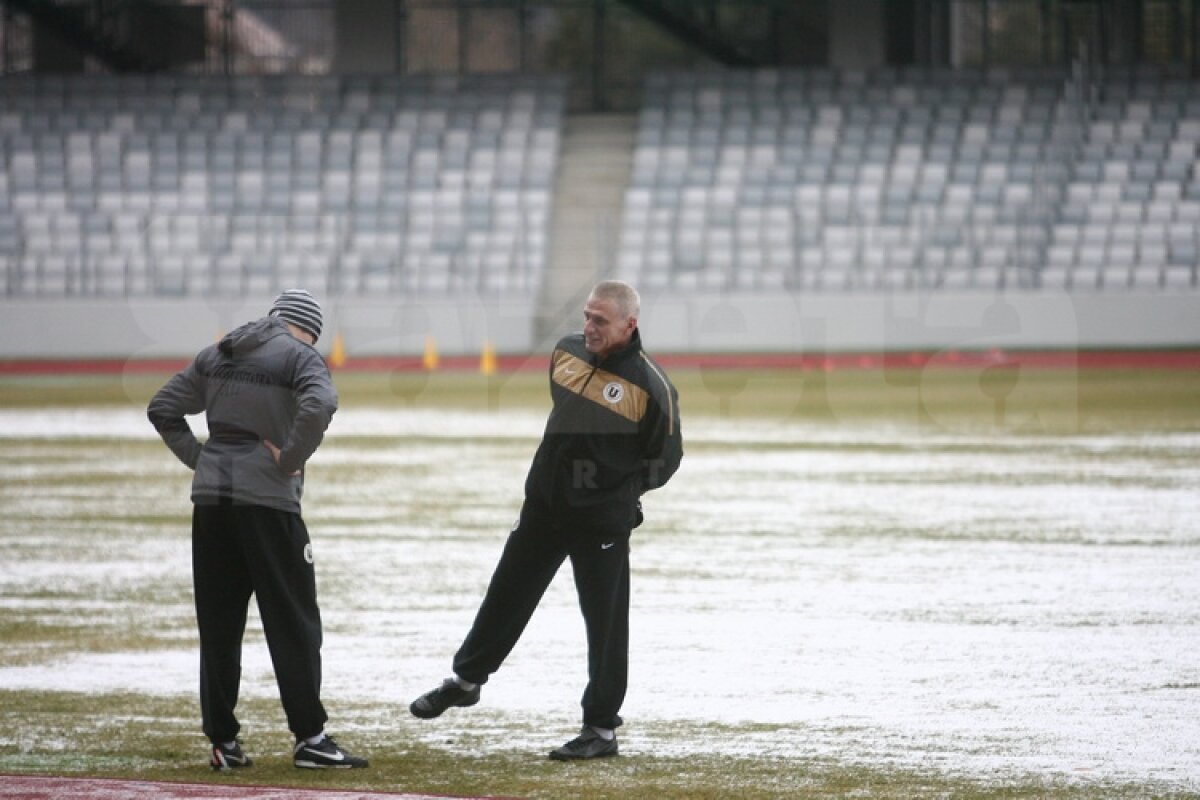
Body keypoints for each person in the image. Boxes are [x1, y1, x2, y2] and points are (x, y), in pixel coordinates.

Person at [410, 280, 683, 760]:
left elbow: (666, 457)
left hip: (601, 523)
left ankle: (600, 730)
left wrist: (619, 495)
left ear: (629, 325)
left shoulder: (651, 385)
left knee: (604, 624)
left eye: (601, 319)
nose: (589, 326)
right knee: (506, 594)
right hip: (544, 509)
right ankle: (466, 680)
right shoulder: (565, 353)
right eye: (587, 316)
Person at [147, 289, 368, 771]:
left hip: (211, 503)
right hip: (267, 503)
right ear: (309, 331)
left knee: (220, 624)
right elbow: (321, 406)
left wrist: (201, 459)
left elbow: (162, 407)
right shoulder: (301, 357)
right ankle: (310, 738)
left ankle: (223, 743)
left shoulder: (219, 351)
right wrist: (289, 458)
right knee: (293, 622)